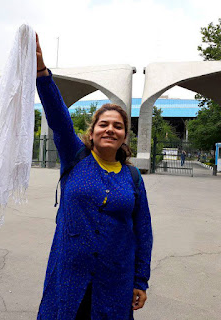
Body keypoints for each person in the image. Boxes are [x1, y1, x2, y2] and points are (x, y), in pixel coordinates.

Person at [36, 34, 153, 320]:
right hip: (69, 275)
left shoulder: (133, 177)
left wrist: (140, 280)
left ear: (125, 135)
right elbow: (58, 116)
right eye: (103, 124)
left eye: (117, 126)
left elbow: (143, 231)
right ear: (93, 131)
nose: (110, 129)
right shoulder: (75, 159)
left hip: (115, 281)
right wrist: (41, 72)